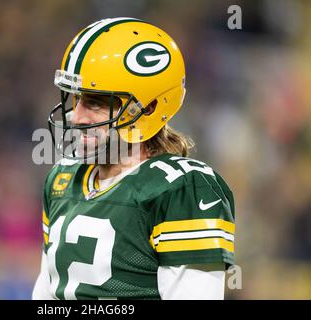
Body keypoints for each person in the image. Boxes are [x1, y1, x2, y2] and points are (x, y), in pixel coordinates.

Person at [32, 17, 235, 300]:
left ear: (148, 107)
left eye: (96, 101)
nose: (77, 116)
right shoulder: (62, 180)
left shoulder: (183, 189)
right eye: (76, 98)